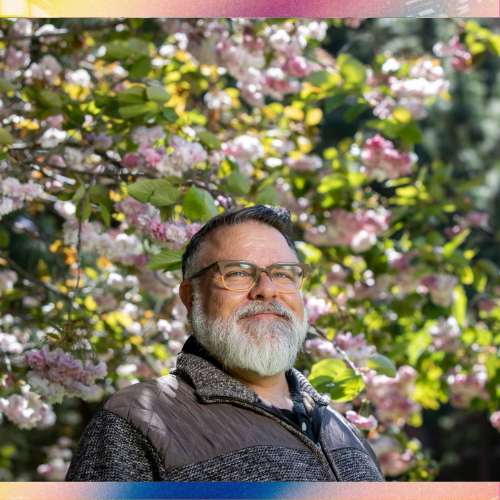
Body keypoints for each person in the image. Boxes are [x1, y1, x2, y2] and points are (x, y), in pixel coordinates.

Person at [66, 205, 383, 481]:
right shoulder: (140, 420)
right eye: (238, 274)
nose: (267, 290)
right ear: (192, 297)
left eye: (284, 274)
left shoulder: (342, 430)